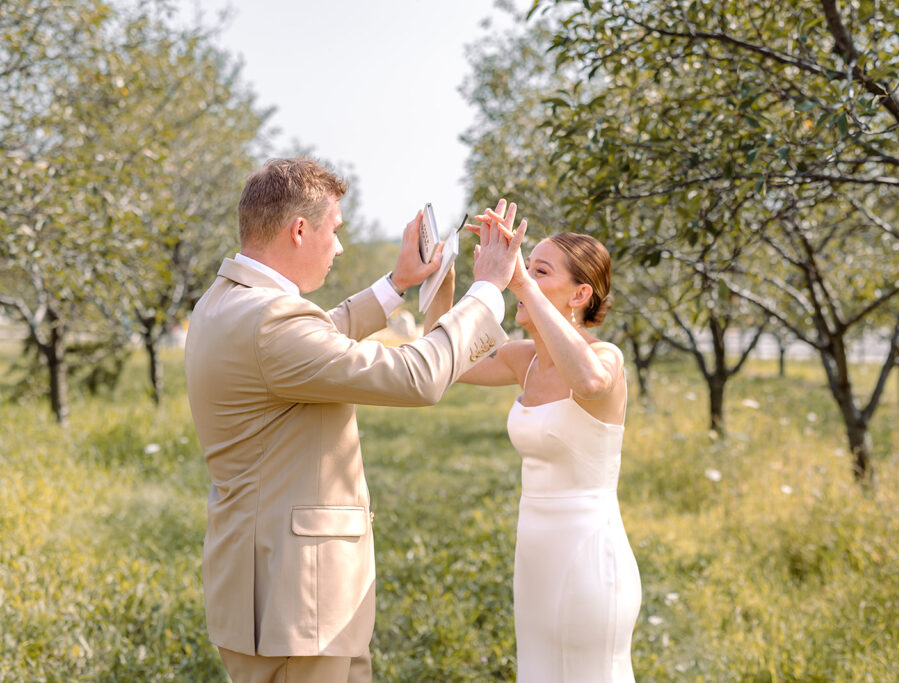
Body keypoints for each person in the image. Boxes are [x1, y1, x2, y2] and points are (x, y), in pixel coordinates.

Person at [184, 158, 524, 683]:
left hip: (271, 590)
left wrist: (397, 284)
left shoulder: (226, 302)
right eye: (335, 232)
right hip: (297, 600)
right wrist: (486, 291)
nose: (340, 248)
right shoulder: (271, 322)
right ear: (300, 230)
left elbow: (317, 340)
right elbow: (417, 376)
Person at [449, 200, 642, 681]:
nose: (524, 276)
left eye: (539, 270)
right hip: (535, 553)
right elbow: (446, 357)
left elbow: (590, 384)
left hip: (588, 553)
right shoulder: (523, 360)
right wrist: (450, 276)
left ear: (579, 295)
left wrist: (519, 282)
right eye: (524, 266)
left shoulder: (606, 358)